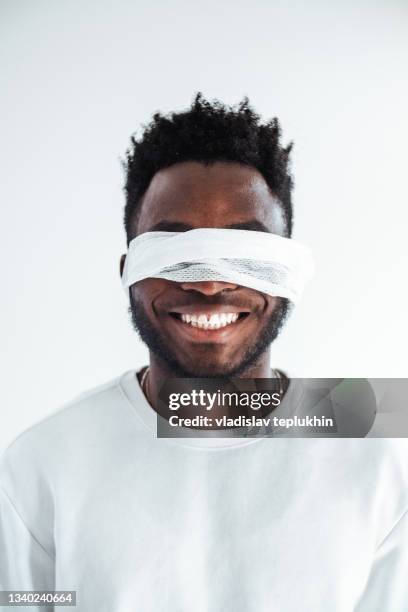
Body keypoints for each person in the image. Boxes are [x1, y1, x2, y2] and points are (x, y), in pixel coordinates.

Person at [1, 94, 407, 611]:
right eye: (175, 250)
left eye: (246, 252)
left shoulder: (381, 463)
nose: (211, 283)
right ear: (128, 271)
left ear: (290, 273)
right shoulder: (43, 465)